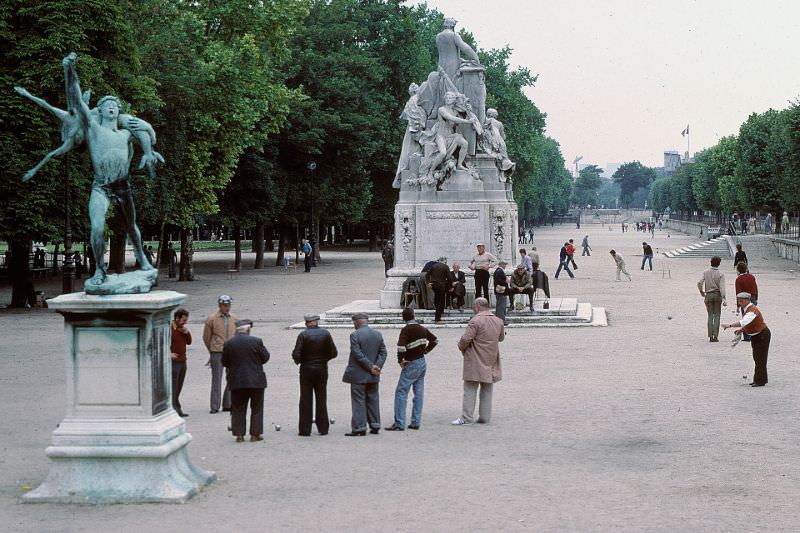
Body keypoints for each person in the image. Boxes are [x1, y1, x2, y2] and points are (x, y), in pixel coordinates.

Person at [452, 298, 505, 426]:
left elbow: (466, 339)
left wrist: (460, 346)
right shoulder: (499, 321)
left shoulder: (475, 321)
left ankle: (467, 417)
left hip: (475, 358)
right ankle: (485, 417)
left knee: (470, 388)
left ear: (477, 307)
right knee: (487, 388)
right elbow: (501, 338)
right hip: (491, 357)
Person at [385, 308, 438, 431]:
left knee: (401, 392)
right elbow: (435, 340)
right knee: (418, 393)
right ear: (413, 315)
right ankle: (415, 421)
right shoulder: (421, 328)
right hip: (421, 361)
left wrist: (400, 360)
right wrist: (426, 350)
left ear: (403, 318)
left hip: (411, 362)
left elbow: (401, 347)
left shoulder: (406, 330)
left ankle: (399, 422)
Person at [222, 319, 270, 442]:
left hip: (237, 380)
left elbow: (224, 362)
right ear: (248, 329)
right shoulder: (256, 341)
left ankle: (239, 435)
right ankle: (255, 434)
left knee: (238, 407)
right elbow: (265, 357)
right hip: (256, 380)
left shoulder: (229, 343)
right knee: (257, 407)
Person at [291, 313, 338, 436]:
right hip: (322, 369)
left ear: (307, 323)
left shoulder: (303, 335)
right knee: (321, 398)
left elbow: (296, 353)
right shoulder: (325, 334)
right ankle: (323, 428)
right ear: (317, 322)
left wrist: (301, 361)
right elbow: (333, 352)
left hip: (306, 369)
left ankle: (305, 429)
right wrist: (324, 360)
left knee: (305, 399)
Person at [342, 313, 388, 436]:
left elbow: (357, 354)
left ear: (357, 322)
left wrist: (370, 367)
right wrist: (377, 366)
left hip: (359, 374)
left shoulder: (355, 335)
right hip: (374, 375)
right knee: (373, 399)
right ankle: (375, 425)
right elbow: (383, 352)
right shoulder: (377, 334)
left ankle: (359, 427)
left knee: (358, 400)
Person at [723, 293, 771, 387]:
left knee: (760, 359)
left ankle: (760, 381)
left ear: (747, 300)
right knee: (757, 358)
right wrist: (741, 330)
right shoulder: (747, 309)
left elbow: (744, 322)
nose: (740, 303)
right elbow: (748, 323)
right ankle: (759, 379)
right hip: (757, 335)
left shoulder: (752, 310)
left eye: (741, 301)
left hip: (762, 335)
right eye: (739, 301)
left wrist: (729, 325)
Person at [203, 295, 237, 413]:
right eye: (224, 305)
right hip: (217, 351)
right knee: (216, 379)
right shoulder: (212, 319)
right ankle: (214, 406)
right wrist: (211, 349)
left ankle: (228, 403)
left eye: (228, 305)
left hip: (231, 351)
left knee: (232, 377)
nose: (227, 308)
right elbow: (206, 337)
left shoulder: (234, 318)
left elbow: (236, 334)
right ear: (219, 306)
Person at [697, 256, 727, 342]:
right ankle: (715, 336)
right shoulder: (721, 274)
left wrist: (701, 291)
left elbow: (699, 282)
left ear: (711, 262)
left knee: (710, 315)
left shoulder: (705, 272)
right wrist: (724, 298)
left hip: (709, 295)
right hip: (717, 295)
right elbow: (722, 287)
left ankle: (710, 335)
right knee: (717, 315)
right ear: (719, 263)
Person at [171, 308, 192, 417]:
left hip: (183, 361)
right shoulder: (170, 329)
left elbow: (189, 342)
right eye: (183, 320)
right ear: (177, 318)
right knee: (174, 387)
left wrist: (187, 332)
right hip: (174, 362)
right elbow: (162, 344)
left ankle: (177, 407)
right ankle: (174, 408)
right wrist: (169, 354)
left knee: (179, 386)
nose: (185, 322)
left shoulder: (182, 329)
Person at [734, 261, 759, 341]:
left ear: (738, 270)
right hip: (753, 297)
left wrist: (738, 305)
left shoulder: (738, 279)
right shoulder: (751, 277)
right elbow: (755, 288)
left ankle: (747, 336)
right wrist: (756, 298)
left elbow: (738, 293)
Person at [427, 257, 451, 322]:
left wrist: (428, 283)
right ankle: (437, 318)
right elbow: (449, 278)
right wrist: (449, 287)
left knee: (437, 300)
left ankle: (439, 314)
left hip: (434, 285)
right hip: (441, 286)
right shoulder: (445, 267)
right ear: (444, 261)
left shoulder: (434, 266)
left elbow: (427, 274)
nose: (446, 263)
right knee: (441, 301)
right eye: (446, 262)